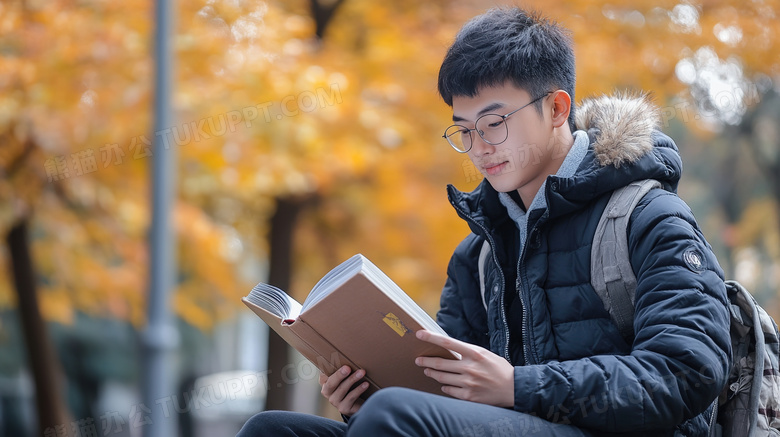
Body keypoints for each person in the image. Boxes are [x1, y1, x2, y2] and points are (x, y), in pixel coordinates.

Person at [238, 6, 732, 436]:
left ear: (557, 108)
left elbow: (686, 372)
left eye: (494, 123)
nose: (479, 147)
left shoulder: (648, 217)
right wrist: (365, 398)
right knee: (273, 428)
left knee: (395, 415)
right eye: (464, 130)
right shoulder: (478, 255)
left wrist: (517, 386)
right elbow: (443, 395)